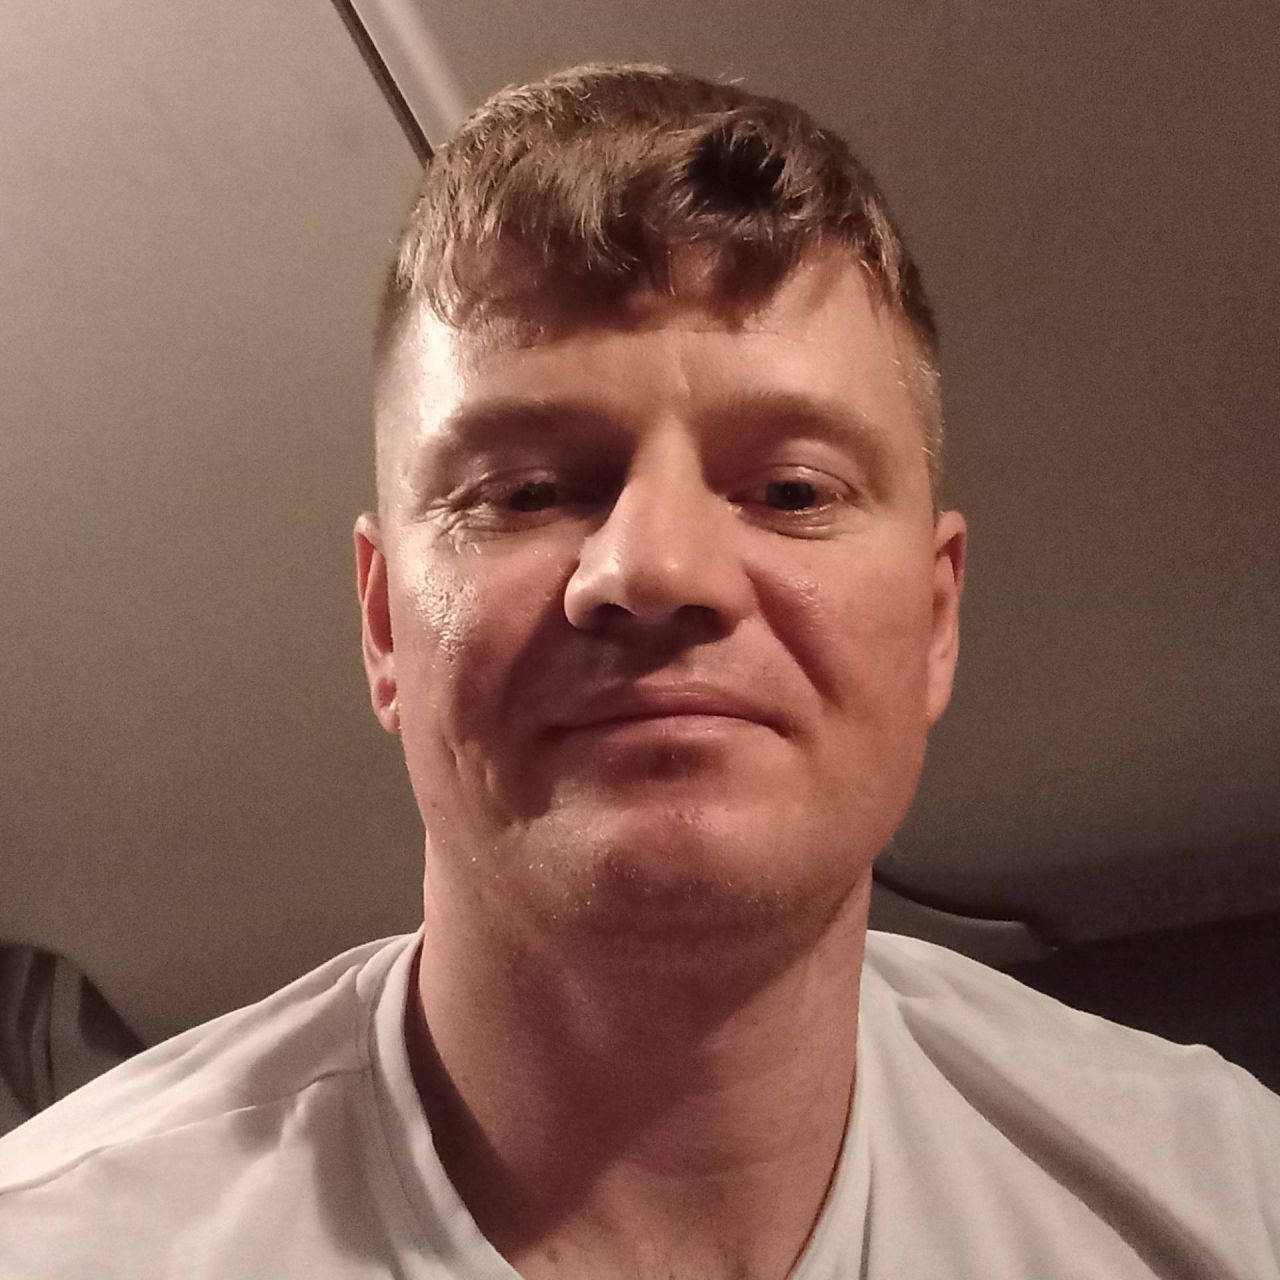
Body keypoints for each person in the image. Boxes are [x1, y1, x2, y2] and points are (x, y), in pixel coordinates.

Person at [1, 62, 1276, 1280]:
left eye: (792, 491)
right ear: (384, 622)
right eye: (525, 491)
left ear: (936, 620)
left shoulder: (1228, 1192)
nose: (657, 566)